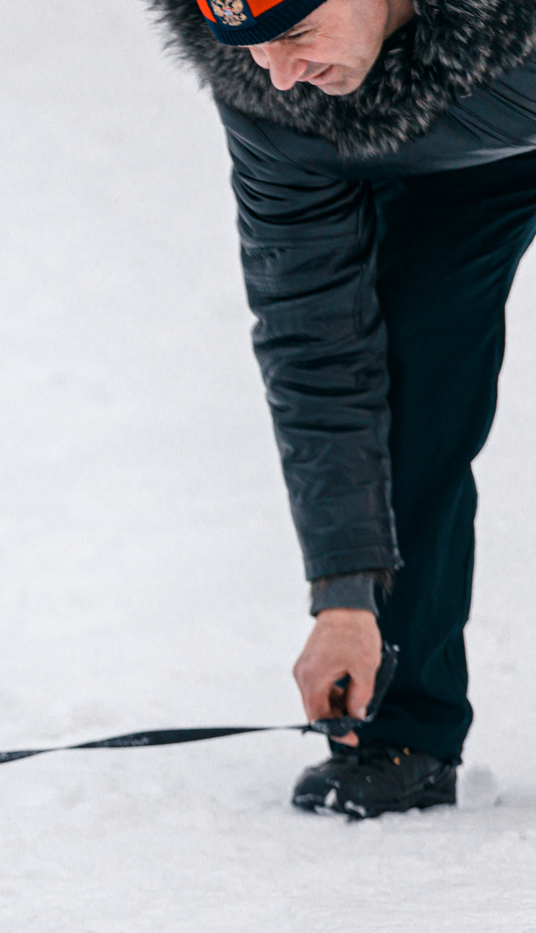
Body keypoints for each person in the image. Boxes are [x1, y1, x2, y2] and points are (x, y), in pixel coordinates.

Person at [153, 0, 536, 816]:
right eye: (249, 44)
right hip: (449, 170)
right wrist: (345, 599)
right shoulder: (273, 95)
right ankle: (400, 724)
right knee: (407, 382)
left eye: (293, 33)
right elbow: (317, 347)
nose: (279, 72)